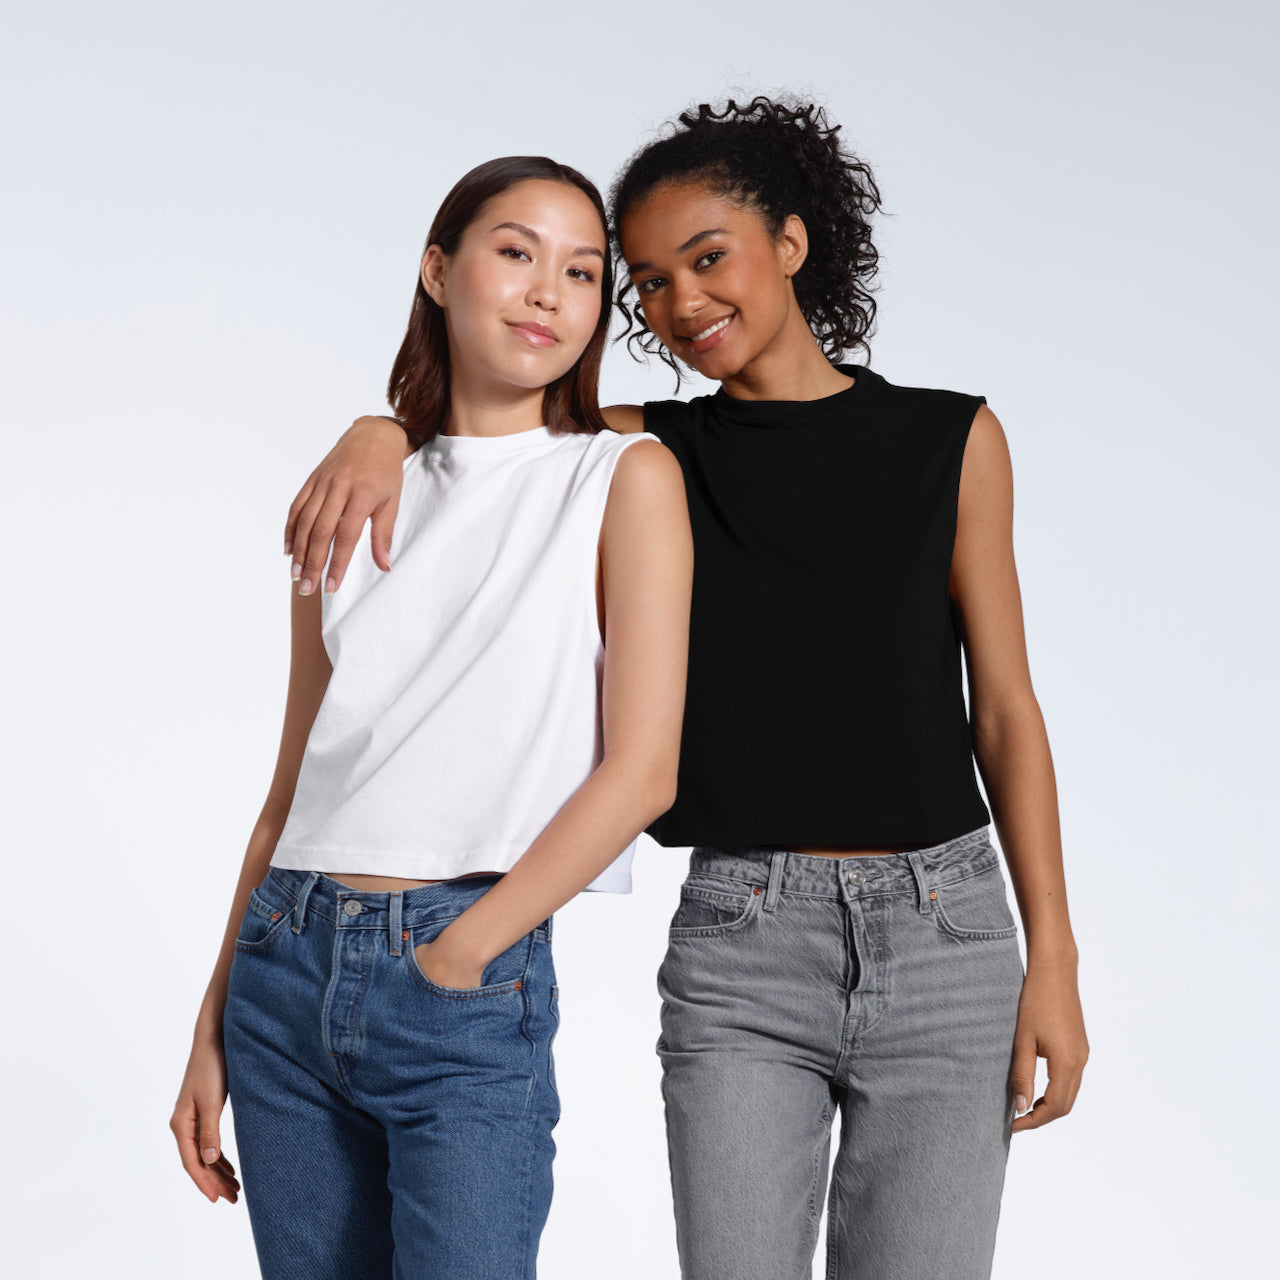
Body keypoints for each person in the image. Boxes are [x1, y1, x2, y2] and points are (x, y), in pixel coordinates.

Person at [281, 98, 1089, 1280]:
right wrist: (378, 428)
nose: (678, 304)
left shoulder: (949, 439)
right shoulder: (635, 454)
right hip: (742, 941)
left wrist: (1051, 959)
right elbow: (490, 418)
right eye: (648, 284)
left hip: (948, 931)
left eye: (706, 258)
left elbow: (1005, 711)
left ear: (793, 242)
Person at [169, 155, 693, 1280]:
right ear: (438, 268)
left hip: (462, 977)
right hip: (282, 962)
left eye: (583, 271)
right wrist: (212, 1018)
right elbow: (291, 786)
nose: (549, 290)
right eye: (515, 252)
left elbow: (643, 770)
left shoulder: (619, 477)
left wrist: (462, 951)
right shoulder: (349, 491)